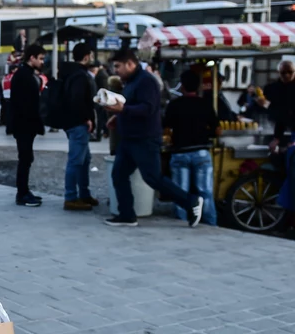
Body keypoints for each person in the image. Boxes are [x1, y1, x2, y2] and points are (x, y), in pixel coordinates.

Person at [103, 48, 203, 228]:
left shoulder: (146, 82)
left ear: (130, 64)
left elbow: (147, 109)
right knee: (118, 174)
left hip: (144, 139)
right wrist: (118, 117)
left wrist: (123, 111)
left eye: (118, 66)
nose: (115, 70)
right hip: (129, 139)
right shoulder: (131, 81)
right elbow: (130, 105)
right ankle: (127, 215)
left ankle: (191, 202)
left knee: (153, 178)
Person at [164, 69, 220, 226]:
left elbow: (166, 129)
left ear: (182, 86)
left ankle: (181, 222)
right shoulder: (206, 104)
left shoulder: (174, 105)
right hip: (201, 152)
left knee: (180, 192)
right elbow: (217, 130)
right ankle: (210, 223)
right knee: (205, 192)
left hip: (180, 152)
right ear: (198, 87)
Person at [60, 43, 99, 211]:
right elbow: (78, 100)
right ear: (86, 56)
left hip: (72, 122)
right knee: (76, 160)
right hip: (78, 124)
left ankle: (84, 193)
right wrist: (86, 118)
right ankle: (71, 197)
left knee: (84, 159)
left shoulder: (70, 72)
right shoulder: (80, 75)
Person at [10, 44, 46, 207]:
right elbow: (26, 104)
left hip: (25, 124)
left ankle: (24, 191)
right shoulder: (24, 75)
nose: (42, 62)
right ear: (32, 58)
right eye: (40, 58)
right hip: (24, 124)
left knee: (26, 158)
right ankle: (22, 193)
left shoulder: (25, 74)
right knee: (25, 158)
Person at [265, 60, 295, 152]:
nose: (287, 75)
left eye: (290, 72)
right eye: (283, 73)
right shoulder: (274, 88)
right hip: (282, 127)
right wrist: (276, 138)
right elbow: (280, 114)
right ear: (278, 73)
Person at [88, 62, 109, 141]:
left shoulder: (101, 75)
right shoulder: (101, 74)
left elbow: (102, 89)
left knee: (100, 118)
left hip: (101, 100)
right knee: (102, 118)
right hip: (101, 99)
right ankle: (104, 132)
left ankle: (99, 135)